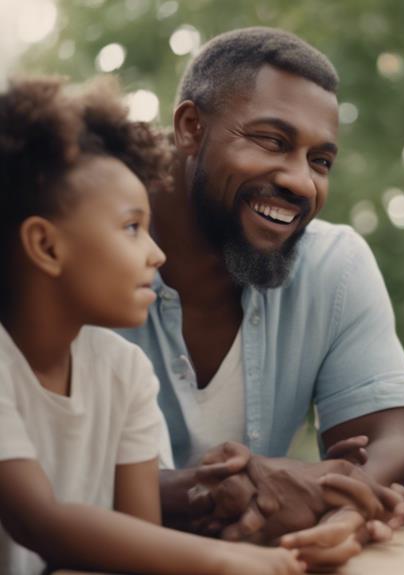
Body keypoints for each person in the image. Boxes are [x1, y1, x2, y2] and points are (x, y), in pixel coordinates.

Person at [113, 27, 404, 567]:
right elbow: (43, 477)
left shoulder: (335, 265)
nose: (301, 183)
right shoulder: (82, 250)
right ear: (191, 128)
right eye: (273, 142)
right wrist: (228, 490)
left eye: (321, 161)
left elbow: (402, 450)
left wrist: (334, 501)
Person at [0, 75, 313, 575]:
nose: (157, 253)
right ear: (46, 246)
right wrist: (231, 561)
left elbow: (140, 548)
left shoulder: (123, 371)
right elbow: (42, 523)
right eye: (131, 228)